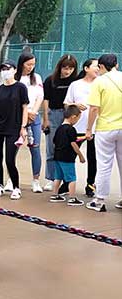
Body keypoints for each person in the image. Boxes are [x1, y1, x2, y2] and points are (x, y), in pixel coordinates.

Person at [0, 61, 29, 200]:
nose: (5, 71)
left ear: (15, 70)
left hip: (14, 128)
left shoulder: (20, 87)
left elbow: (25, 108)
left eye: (8, 68)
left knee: (10, 160)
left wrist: (23, 127)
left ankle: (16, 187)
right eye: (3, 69)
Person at [85, 53, 122, 212]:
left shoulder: (99, 82)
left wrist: (89, 129)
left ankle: (99, 200)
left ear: (101, 66)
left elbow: (94, 108)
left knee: (104, 165)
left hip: (105, 128)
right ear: (116, 65)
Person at [42, 54, 78, 190]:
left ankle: (65, 179)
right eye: (65, 68)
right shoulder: (50, 80)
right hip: (54, 114)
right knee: (52, 148)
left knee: (68, 148)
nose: (67, 71)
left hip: (70, 115)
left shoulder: (75, 81)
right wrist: (45, 119)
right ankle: (51, 178)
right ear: (60, 67)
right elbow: (46, 100)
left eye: (71, 68)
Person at [64, 58, 99, 198]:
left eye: (99, 66)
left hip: (96, 127)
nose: (98, 69)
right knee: (69, 155)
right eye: (95, 66)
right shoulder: (75, 85)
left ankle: (90, 185)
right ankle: (67, 183)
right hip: (77, 127)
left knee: (93, 157)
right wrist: (75, 105)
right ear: (86, 68)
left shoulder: (100, 84)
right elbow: (66, 104)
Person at [16, 52, 45, 193]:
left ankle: (36, 180)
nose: (30, 67)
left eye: (33, 64)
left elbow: (40, 96)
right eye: (28, 64)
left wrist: (34, 111)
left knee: (35, 148)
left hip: (34, 117)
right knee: (13, 148)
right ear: (21, 64)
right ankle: (11, 180)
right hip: (18, 117)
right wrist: (25, 113)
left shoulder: (37, 77)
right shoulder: (15, 77)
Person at [49, 105, 86, 206]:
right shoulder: (71, 129)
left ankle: (54, 195)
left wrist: (83, 138)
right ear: (73, 117)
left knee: (58, 177)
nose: (77, 121)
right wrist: (80, 155)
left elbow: (55, 141)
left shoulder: (59, 128)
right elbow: (73, 143)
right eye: (78, 119)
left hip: (57, 157)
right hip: (67, 158)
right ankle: (72, 198)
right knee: (71, 178)